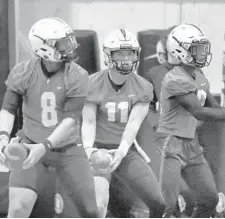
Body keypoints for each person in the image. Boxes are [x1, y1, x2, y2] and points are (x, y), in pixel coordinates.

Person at [157, 23, 225, 217]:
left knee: (209, 199)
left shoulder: (198, 74)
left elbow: (214, 107)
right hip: (171, 145)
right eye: (195, 47)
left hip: (192, 144)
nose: (201, 51)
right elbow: (198, 111)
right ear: (178, 50)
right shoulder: (173, 79)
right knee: (169, 206)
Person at [0, 17, 99, 218]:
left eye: (68, 41)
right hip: (29, 144)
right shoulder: (23, 71)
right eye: (61, 43)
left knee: (90, 212)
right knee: (18, 209)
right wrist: (2, 136)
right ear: (41, 48)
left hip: (68, 149)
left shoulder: (78, 74)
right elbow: (8, 109)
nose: (68, 47)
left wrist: (45, 146)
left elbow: (71, 121)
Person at [81, 28, 165, 218]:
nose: (126, 58)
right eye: (120, 53)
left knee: (158, 203)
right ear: (109, 55)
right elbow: (88, 122)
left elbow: (133, 125)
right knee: (98, 206)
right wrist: (89, 150)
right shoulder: (91, 83)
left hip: (125, 150)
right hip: (97, 148)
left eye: (130, 53)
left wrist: (121, 150)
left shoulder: (143, 87)